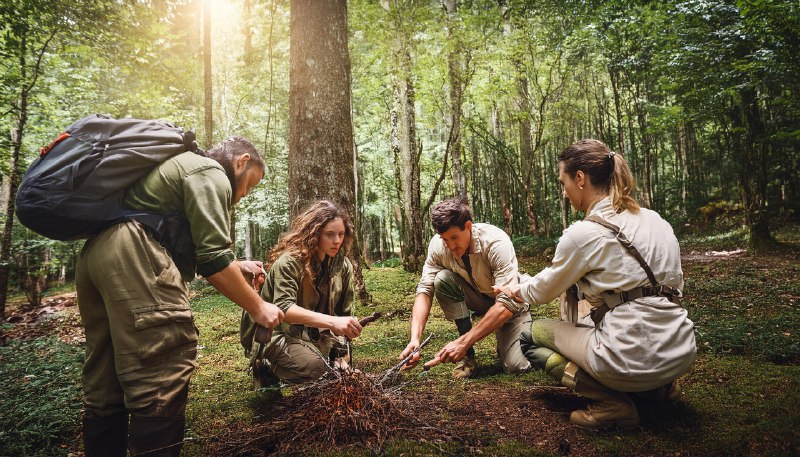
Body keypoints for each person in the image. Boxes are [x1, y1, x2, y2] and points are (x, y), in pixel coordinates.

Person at [75, 137, 284, 457]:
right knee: (162, 371)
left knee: (106, 383)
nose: (243, 195)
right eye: (250, 185)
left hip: (97, 254)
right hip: (133, 254)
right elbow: (214, 260)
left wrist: (236, 265)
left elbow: (196, 250)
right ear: (241, 162)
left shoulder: (180, 167)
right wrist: (259, 307)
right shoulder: (211, 172)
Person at [493, 139, 696, 429]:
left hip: (627, 358)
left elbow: (543, 291)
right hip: (679, 351)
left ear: (580, 178)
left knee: (529, 335)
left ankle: (611, 404)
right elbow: (673, 283)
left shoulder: (584, 233)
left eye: (563, 183)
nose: (564, 194)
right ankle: (661, 390)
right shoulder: (656, 221)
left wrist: (516, 289)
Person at [398, 197, 532, 379]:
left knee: (517, 365)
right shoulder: (439, 246)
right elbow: (425, 290)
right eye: (444, 239)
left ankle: (533, 332)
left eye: (454, 237)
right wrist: (415, 339)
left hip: (509, 302)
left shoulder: (495, 242)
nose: (450, 245)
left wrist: (461, 342)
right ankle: (468, 356)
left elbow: (506, 304)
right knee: (442, 279)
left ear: (468, 226)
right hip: (477, 298)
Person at [241, 200, 363, 386]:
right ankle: (265, 366)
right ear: (314, 234)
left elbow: (344, 315)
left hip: (313, 335)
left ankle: (316, 363)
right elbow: (284, 309)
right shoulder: (290, 262)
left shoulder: (342, 265)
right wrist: (333, 322)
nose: (337, 241)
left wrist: (340, 355)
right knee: (318, 369)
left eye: (341, 234)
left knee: (337, 372)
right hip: (273, 334)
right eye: (330, 234)